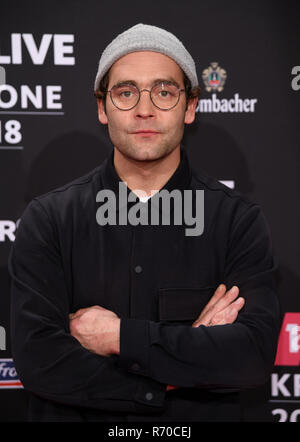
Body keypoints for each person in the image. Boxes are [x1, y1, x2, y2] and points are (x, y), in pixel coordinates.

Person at [9, 23, 280, 422]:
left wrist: (118, 338)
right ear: (102, 107)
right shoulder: (49, 219)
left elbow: (250, 357)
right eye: (125, 92)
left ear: (190, 106)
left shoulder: (237, 222)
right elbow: (40, 362)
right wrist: (184, 361)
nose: (144, 109)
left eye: (165, 92)